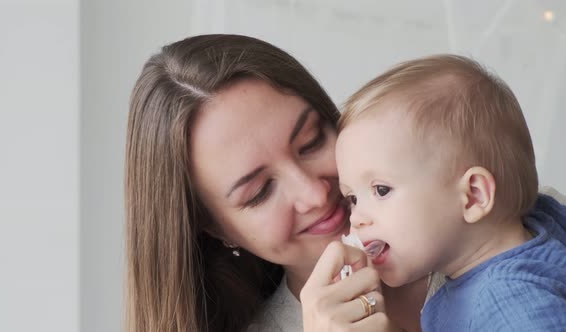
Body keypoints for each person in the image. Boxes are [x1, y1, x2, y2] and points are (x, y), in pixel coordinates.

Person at [126, 34, 566, 332]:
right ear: (214, 229)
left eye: (312, 140)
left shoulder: (515, 232)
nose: (317, 193)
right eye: (259, 192)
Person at [310, 54, 566, 331]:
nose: (357, 218)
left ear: (473, 196)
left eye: (381, 190)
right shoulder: (542, 220)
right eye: (353, 199)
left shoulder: (510, 305)